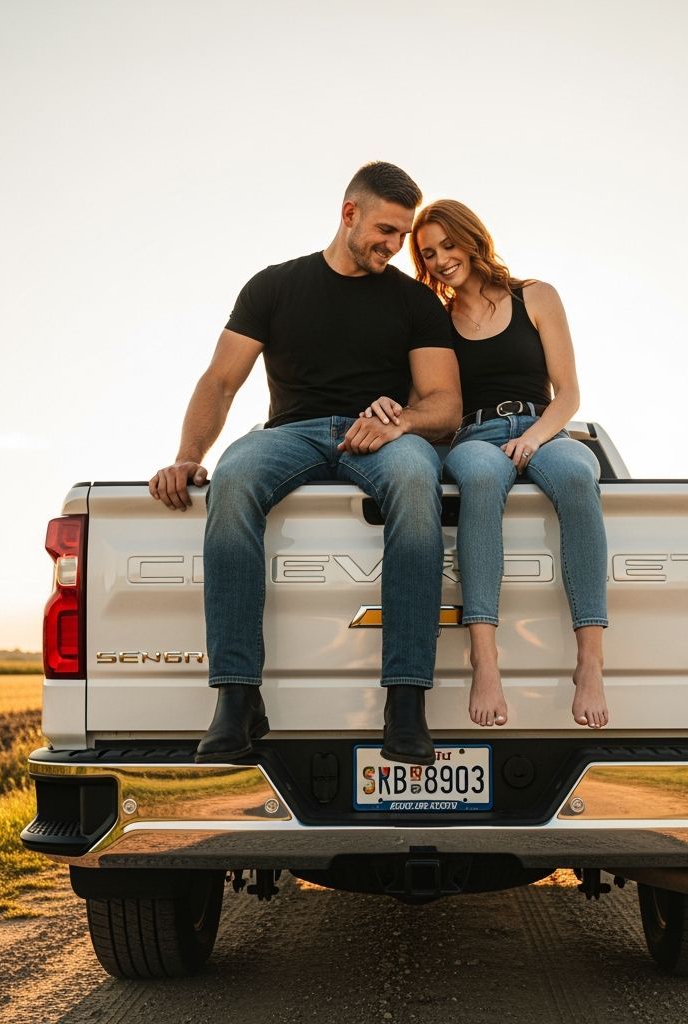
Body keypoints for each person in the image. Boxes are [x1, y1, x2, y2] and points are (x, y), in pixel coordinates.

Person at [149, 163, 461, 767]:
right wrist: (189, 457)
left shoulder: (415, 302)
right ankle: (237, 698)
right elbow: (220, 380)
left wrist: (398, 423)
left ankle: (406, 702)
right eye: (386, 231)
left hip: (383, 436)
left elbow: (444, 404)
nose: (395, 246)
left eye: (402, 235)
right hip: (292, 434)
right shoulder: (273, 287)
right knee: (235, 477)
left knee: (417, 478)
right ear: (349, 214)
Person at [364, 199, 608, 730]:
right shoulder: (438, 322)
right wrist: (391, 409)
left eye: (448, 245)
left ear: (473, 239)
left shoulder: (535, 296)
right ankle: (485, 660)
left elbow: (568, 393)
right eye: (428, 253)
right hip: (474, 435)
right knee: (477, 477)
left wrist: (534, 438)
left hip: (543, 426)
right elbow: (427, 400)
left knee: (577, 474)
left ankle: (590, 662)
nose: (441, 259)